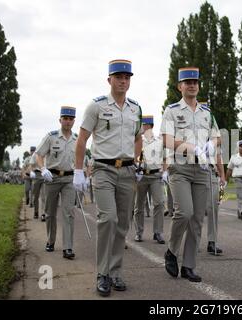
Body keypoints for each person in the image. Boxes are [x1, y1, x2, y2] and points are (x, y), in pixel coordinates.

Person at [74, 59, 142, 297]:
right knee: (108, 219)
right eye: (119, 77)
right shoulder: (96, 106)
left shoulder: (135, 108)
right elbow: (82, 139)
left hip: (127, 171)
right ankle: (102, 273)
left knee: (123, 223)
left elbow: (137, 137)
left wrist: (137, 161)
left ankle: (115, 272)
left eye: (127, 77)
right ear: (109, 80)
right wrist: (78, 171)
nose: (123, 81)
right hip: (103, 170)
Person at [161, 67, 224, 282]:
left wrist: (210, 144)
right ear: (180, 86)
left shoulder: (207, 113)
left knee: (197, 218)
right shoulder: (172, 111)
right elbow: (167, 140)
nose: (192, 85)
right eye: (187, 82)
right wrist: (190, 147)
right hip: (180, 168)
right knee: (184, 212)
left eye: (195, 82)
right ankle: (171, 251)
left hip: (202, 170)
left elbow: (218, 137)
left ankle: (188, 265)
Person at [35, 106, 78, 260]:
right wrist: (43, 168)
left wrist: (82, 175)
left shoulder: (77, 139)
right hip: (52, 178)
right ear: (60, 120)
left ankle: (68, 247)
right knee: (50, 212)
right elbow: (38, 155)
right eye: (65, 118)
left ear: (74, 121)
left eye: (70, 119)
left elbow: (80, 160)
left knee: (68, 213)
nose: (67, 121)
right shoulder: (51, 137)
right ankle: (51, 240)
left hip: (69, 179)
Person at [133, 115, 167, 244]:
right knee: (138, 205)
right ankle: (139, 232)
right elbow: (134, 157)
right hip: (141, 176)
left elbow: (165, 158)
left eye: (143, 125)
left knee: (159, 203)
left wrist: (164, 172)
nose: (142, 128)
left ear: (148, 126)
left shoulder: (159, 141)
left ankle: (158, 232)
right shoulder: (137, 141)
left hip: (155, 176)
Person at [226, 140, 242, 220]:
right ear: (238, 148)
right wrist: (226, 180)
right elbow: (229, 169)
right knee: (240, 196)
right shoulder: (234, 157)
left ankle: (239, 210)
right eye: (240, 146)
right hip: (238, 179)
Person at [29, 149, 44, 219]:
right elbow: (31, 164)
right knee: (36, 196)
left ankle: (43, 213)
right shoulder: (36, 153)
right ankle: (36, 211)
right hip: (37, 175)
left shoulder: (49, 152)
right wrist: (31, 171)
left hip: (45, 175)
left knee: (44, 196)